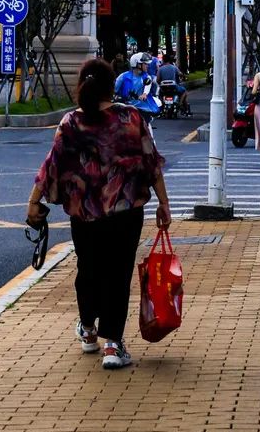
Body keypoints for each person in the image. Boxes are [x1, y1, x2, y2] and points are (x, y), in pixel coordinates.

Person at [26, 58, 171, 371]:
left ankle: (89, 329)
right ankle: (113, 345)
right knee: (118, 274)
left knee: (88, 269)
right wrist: (164, 203)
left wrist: (33, 202)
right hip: (125, 212)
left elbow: (51, 166)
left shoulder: (70, 122)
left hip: (84, 213)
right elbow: (151, 162)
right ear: (111, 85)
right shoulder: (132, 117)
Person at [158, 51, 190, 116]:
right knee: (184, 92)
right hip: (174, 88)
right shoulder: (174, 67)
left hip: (163, 89)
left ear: (163, 60)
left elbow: (158, 79)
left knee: (160, 94)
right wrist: (183, 76)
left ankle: (161, 105)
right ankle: (181, 104)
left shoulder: (160, 69)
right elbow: (180, 74)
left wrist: (160, 84)